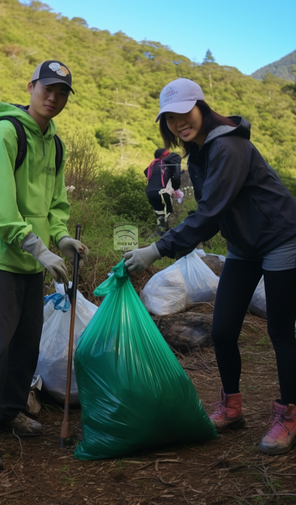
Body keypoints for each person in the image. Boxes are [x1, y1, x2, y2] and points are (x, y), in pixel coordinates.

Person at [124, 78, 296, 455]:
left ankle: (288, 414)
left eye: (185, 111)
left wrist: (156, 249)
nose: (179, 122)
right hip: (244, 244)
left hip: (280, 237)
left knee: (282, 332)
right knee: (222, 330)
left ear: (201, 106)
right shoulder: (198, 152)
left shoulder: (228, 145)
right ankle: (232, 408)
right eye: (169, 117)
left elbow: (211, 210)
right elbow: (215, 214)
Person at [0, 60, 89, 473]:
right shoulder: (6, 133)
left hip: (33, 266)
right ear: (31, 87)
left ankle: (8, 412)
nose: (53, 97)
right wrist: (38, 247)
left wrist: (62, 237)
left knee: (25, 346)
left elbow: (55, 204)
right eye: (47, 88)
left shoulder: (55, 143)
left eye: (62, 92)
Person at [144, 148, 182, 236]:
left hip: (150, 192)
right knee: (169, 215)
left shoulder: (152, 165)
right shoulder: (169, 163)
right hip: (163, 192)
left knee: (160, 214)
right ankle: (169, 237)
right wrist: (175, 187)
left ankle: (159, 235)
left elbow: (146, 172)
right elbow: (176, 179)